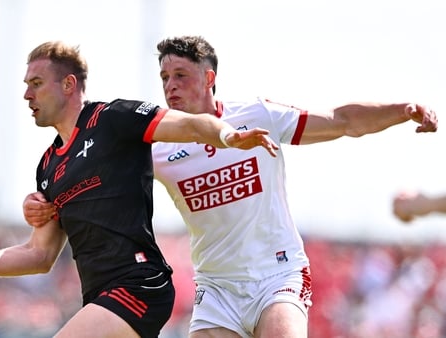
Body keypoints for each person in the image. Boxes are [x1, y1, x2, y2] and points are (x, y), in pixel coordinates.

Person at [0, 40, 279, 338]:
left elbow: (193, 126)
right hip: (99, 298)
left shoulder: (113, 119)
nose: (26, 96)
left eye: (36, 84)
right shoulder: (49, 166)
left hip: (139, 285)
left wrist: (229, 135)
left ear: (69, 84)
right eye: (25, 86)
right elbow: (39, 255)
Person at [148, 36, 438, 338]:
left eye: (180, 75)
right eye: (165, 77)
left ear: (209, 78)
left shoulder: (256, 116)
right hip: (217, 290)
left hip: (277, 276)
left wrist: (402, 110)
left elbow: (341, 120)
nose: (170, 85)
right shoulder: (157, 149)